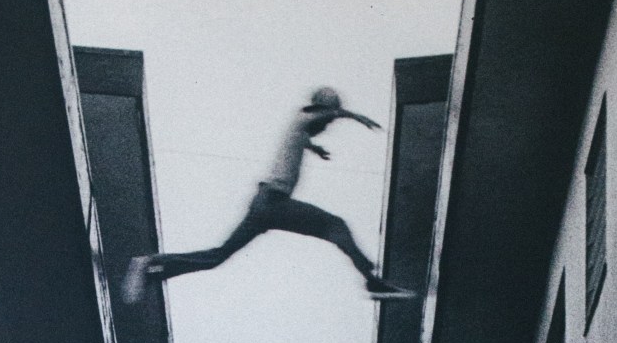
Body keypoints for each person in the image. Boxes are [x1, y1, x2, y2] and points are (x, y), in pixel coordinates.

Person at [122, 86, 416, 303]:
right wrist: (351, 115)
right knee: (334, 224)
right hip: (274, 203)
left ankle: (150, 266)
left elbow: (302, 136)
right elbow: (318, 117)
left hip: (263, 207)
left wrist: (314, 148)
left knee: (217, 257)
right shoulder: (304, 115)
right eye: (325, 123)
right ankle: (372, 281)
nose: (325, 127)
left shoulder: (299, 131)